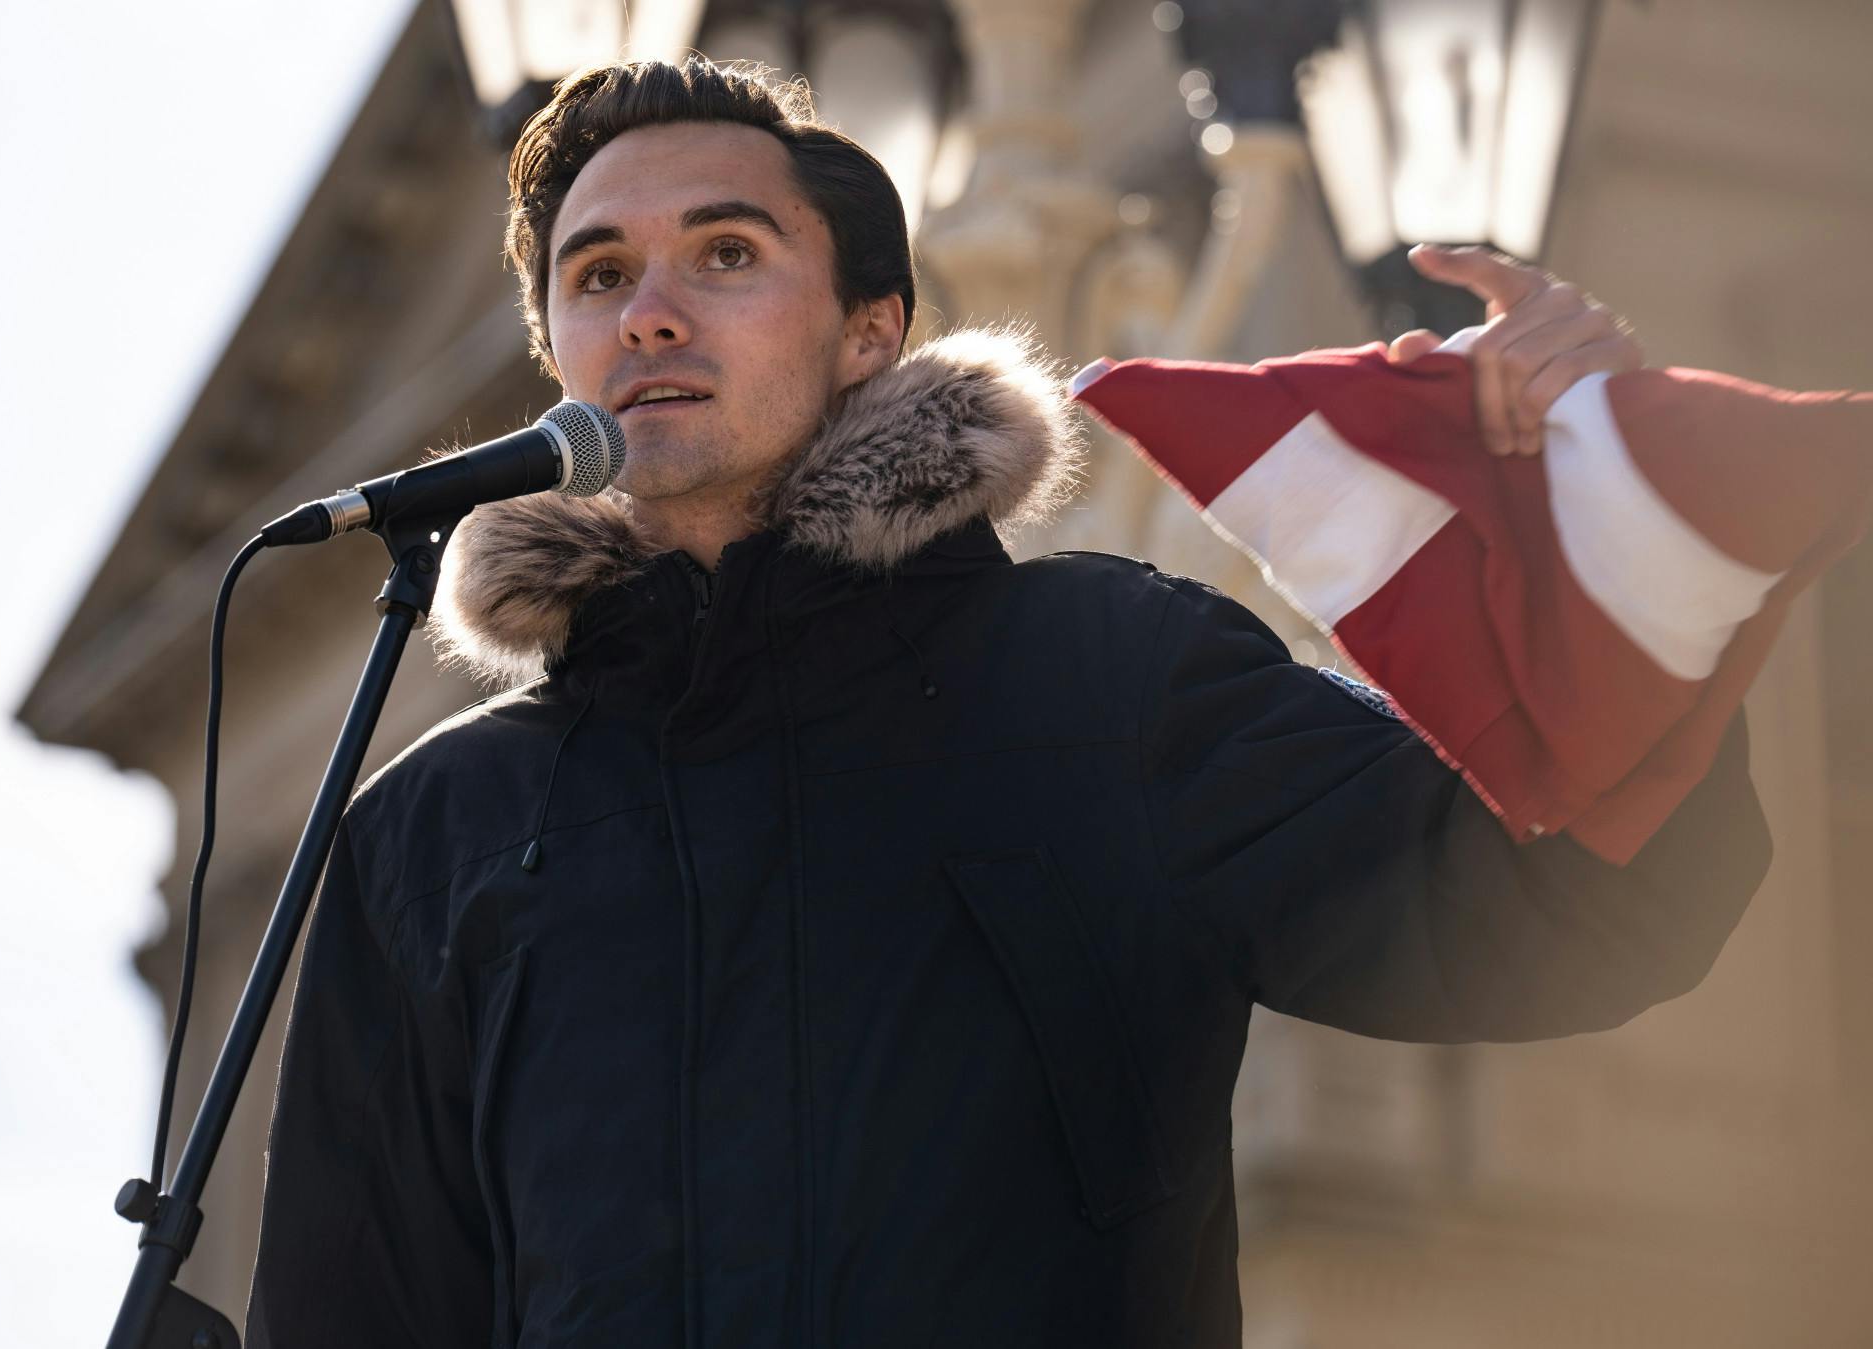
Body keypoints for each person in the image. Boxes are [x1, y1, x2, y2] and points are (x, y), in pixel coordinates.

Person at [245, 57, 1771, 1348]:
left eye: (725, 255)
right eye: (599, 274)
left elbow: (1568, 902)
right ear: (561, 359)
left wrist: (1628, 528)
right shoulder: (437, 828)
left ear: (868, 332)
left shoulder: (1105, 673)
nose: (649, 312)